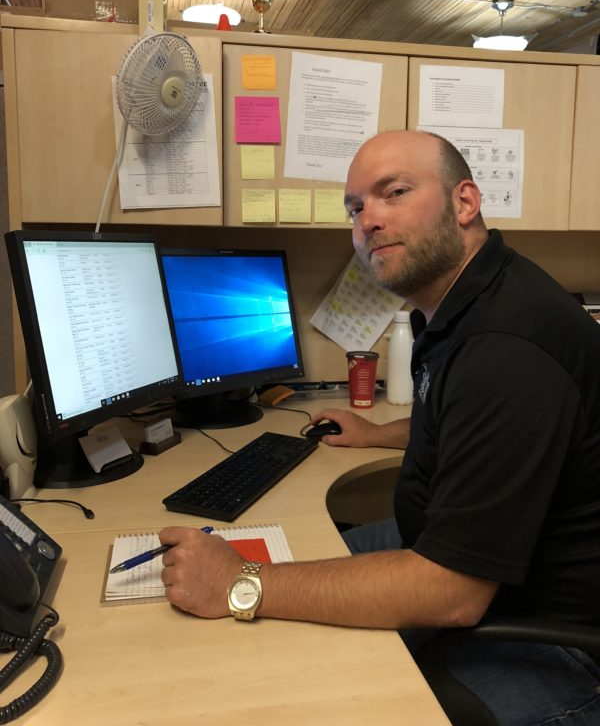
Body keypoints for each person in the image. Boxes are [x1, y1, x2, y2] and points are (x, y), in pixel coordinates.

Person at [159, 130, 600, 725]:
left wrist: (242, 583)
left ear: (464, 202)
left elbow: (452, 591)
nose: (368, 220)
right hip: (463, 557)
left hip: (550, 639)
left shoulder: (506, 347)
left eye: (393, 192)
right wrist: (377, 435)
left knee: (302, 689)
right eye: (356, 207)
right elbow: (464, 423)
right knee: (310, 558)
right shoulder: (463, 304)